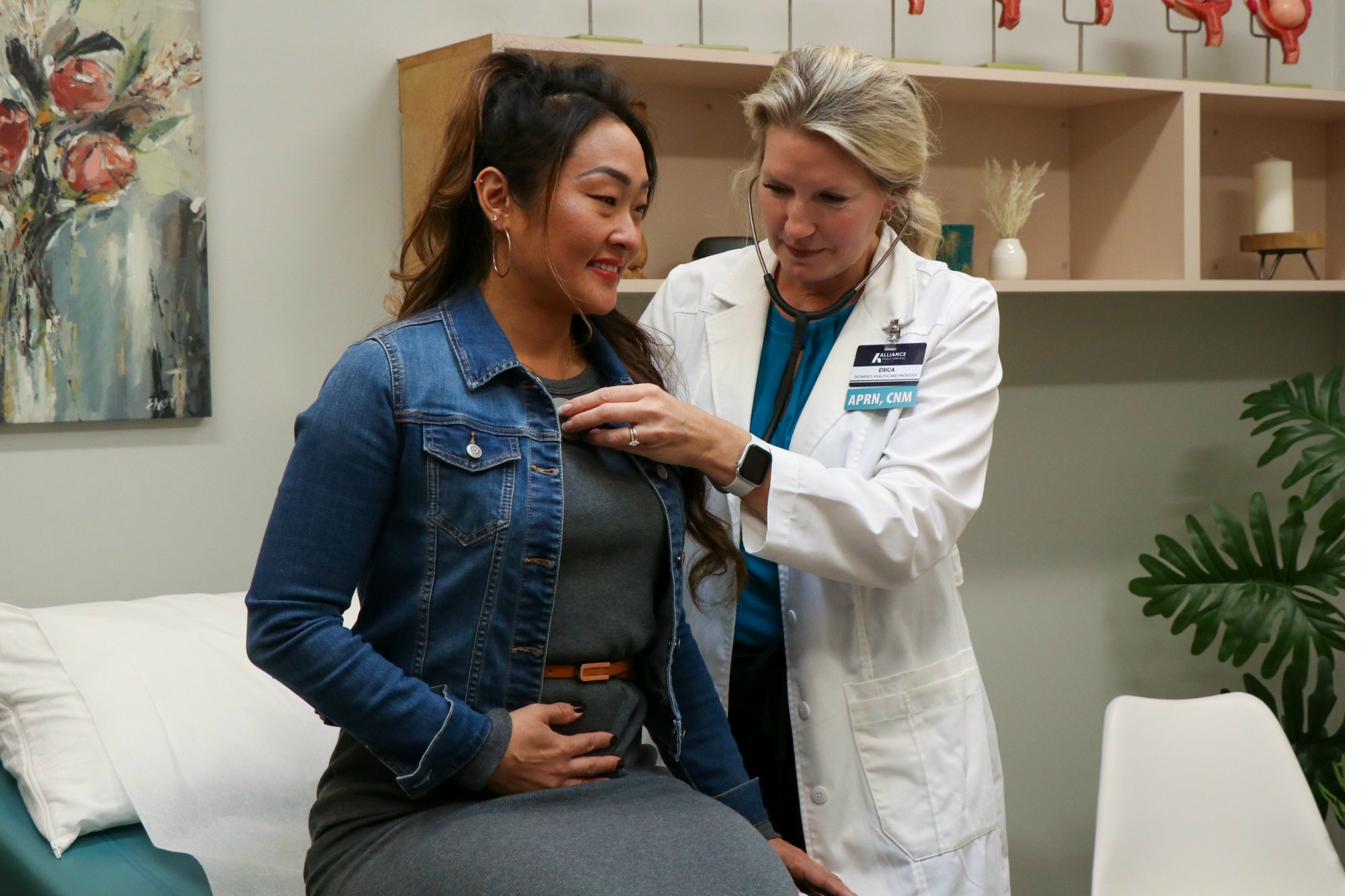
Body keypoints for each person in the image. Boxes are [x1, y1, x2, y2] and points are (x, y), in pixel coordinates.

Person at [244, 51, 850, 896]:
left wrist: (746, 823)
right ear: (499, 199)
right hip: (422, 803)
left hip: (618, 784)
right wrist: (478, 745)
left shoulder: (635, 391)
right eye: (603, 201)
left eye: (639, 209)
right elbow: (285, 623)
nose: (629, 237)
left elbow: (664, 646)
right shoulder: (387, 380)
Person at [559, 44, 1011, 895]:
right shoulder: (695, 295)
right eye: (777, 189)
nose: (794, 224)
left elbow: (909, 528)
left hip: (872, 725)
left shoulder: (952, 313)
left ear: (891, 195)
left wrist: (727, 451)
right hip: (716, 705)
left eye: (832, 198)